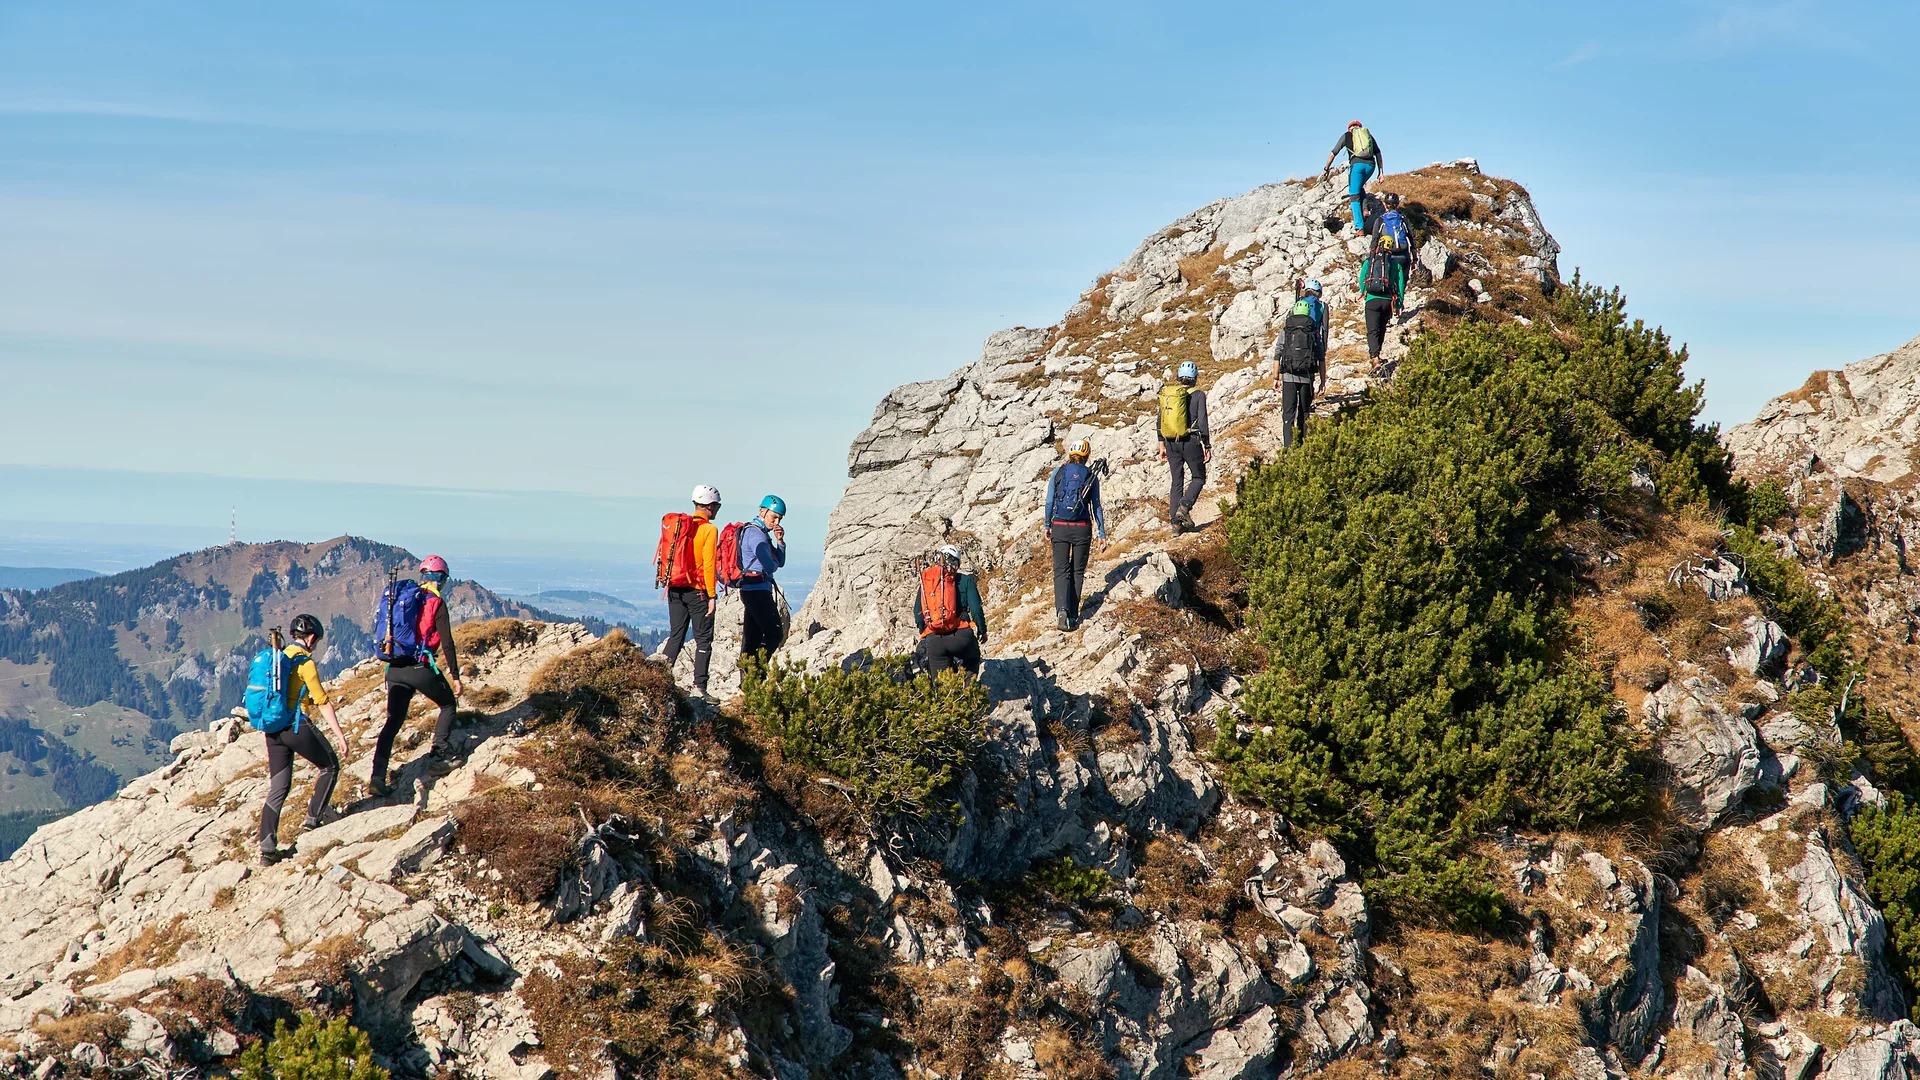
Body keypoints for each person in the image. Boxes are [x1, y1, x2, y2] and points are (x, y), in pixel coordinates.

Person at [259, 614, 350, 866]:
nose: (316, 645)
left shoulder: (277, 658)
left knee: (278, 788)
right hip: (295, 724)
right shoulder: (305, 663)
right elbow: (321, 700)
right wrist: (340, 735)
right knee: (330, 766)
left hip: (273, 729)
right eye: (316, 640)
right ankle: (313, 821)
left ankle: (266, 850)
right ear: (310, 638)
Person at [370, 556, 463, 795]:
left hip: (394, 669)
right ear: (441, 578)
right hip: (419, 667)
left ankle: (377, 777)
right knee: (448, 705)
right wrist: (455, 675)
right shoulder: (435, 602)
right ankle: (437, 758)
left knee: (393, 722)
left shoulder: (405, 597)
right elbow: (447, 642)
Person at [659, 484, 722, 699]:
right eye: (717, 505)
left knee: (676, 635)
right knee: (703, 640)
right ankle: (700, 688)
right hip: (698, 591)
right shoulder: (709, 530)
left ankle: (658, 679)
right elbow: (709, 564)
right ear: (710, 506)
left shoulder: (680, 527)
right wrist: (712, 596)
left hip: (675, 588)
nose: (717, 509)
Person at [1045, 439, 1107, 631]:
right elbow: (1096, 506)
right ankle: (1073, 615)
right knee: (1077, 572)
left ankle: (1061, 611)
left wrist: (1048, 524)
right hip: (1082, 527)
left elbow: (1049, 502)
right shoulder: (1091, 475)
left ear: (1070, 454)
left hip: (1060, 526)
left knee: (1061, 571)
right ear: (1087, 456)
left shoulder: (1059, 472)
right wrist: (1101, 533)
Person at [1271, 279, 1329, 449]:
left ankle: (1288, 448)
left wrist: (1276, 377)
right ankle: (1302, 446)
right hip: (1307, 377)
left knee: (1288, 414)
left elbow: (1278, 353)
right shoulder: (1313, 332)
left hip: (1288, 376)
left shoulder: (1286, 330)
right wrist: (1323, 381)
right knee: (1304, 413)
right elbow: (1321, 358)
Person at [914, 545, 987, 678]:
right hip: (961, 636)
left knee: (942, 687)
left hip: (934, 639)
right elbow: (976, 610)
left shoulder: (927, 582)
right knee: (972, 660)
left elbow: (918, 614)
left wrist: (929, 630)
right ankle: (969, 692)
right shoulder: (966, 581)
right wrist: (982, 630)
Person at [1157, 360, 1211, 533]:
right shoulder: (1199, 395)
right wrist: (1207, 445)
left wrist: (1161, 443)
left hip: (1171, 442)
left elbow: (1160, 420)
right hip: (1191, 441)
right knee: (1198, 477)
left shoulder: (1169, 394)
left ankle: (1175, 525)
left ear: (1179, 377)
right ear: (1195, 378)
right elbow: (1202, 421)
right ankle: (1184, 508)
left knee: (1176, 481)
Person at [738, 495, 788, 659]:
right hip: (757, 591)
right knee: (774, 633)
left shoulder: (760, 533)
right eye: (774, 517)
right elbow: (771, 566)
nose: (776, 523)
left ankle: (749, 680)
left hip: (753, 589)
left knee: (752, 639)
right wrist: (772, 559)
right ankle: (757, 672)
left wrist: (780, 542)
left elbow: (779, 562)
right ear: (763, 511)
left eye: (779, 519)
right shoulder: (756, 534)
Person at [1322, 121, 1383, 232]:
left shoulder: (1347, 135)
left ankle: (1359, 228)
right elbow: (1378, 153)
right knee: (1359, 187)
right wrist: (1381, 173)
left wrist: (1326, 169)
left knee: (1354, 195)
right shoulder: (1367, 135)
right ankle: (1365, 210)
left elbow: (1333, 153)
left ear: (1349, 128)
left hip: (1357, 166)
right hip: (1371, 166)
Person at [1359, 234, 1408, 361]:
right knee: (1382, 328)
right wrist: (1399, 303)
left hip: (1371, 300)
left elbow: (1362, 279)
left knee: (1372, 330)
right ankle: (1378, 354)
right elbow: (1401, 284)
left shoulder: (1369, 261)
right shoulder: (1395, 265)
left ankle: (1374, 357)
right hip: (1387, 301)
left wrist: (1364, 293)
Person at [1372, 193, 1415, 293]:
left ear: (1386, 205)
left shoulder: (1380, 220)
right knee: (1402, 281)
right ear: (1397, 205)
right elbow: (1412, 239)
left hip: (1387, 256)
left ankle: (1390, 301)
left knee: (1387, 280)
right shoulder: (1404, 219)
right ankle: (1399, 303)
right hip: (1403, 256)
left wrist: (1373, 258)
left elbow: (1374, 241)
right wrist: (1415, 259)